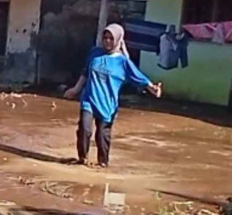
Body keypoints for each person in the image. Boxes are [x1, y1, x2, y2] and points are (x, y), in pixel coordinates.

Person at [64, 23, 163, 168]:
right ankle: (82, 159)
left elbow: (138, 76)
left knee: (102, 135)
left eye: (111, 38)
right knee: (85, 129)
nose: (108, 41)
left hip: (107, 104)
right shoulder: (95, 53)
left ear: (118, 40)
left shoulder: (122, 61)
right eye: (105, 38)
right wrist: (76, 89)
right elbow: (85, 72)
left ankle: (102, 163)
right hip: (89, 98)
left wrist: (152, 88)